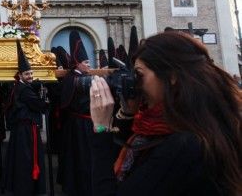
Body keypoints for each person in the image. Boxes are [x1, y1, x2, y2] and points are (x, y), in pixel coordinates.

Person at [89, 31, 242, 196]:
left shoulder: (184, 145)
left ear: (172, 77)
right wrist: (127, 114)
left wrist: (101, 128)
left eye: (139, 75)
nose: (136, 84)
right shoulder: (203, 121)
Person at [56, 30, 120, 196]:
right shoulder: (75, 79)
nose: (89, 64)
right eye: (85, 61)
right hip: (81, 126)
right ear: (77, 63)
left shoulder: (76, 77)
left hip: (82, 124)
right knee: (83, 159)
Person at [4, 41, 47, 195]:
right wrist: (43, 98)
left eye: (31, 73)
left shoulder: (20, 87)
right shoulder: (25, 90)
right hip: (26, 130)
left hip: (21, 129)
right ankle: (26, 188)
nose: (30, 76)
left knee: (21, 158)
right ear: (20, 75)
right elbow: (40, 106)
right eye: (27, 74)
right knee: (25, 159)